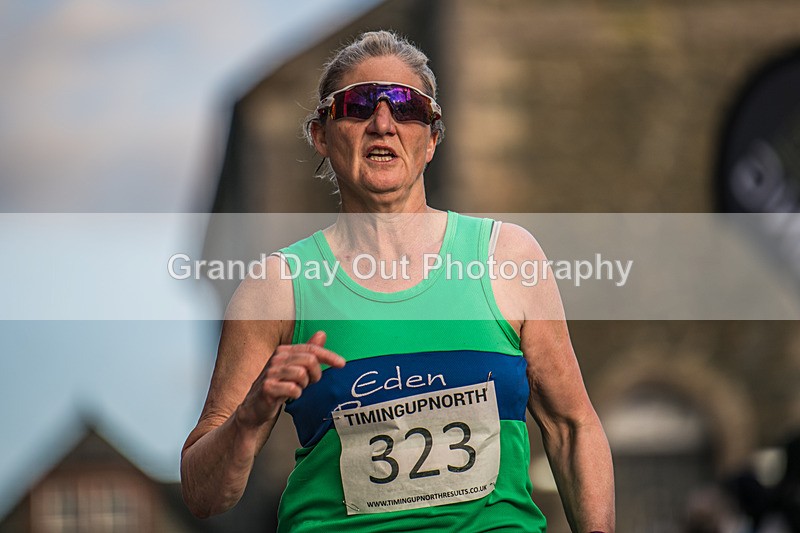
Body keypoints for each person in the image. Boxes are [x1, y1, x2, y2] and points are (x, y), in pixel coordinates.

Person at [180, 30, 615, 532]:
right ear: (321, 134)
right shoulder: (276, 286)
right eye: (358, 105)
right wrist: (250, 415)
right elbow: (202, 495)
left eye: (407, 107)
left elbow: (571, 426)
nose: (382, 123)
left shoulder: (507, 257)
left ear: (430, 139)